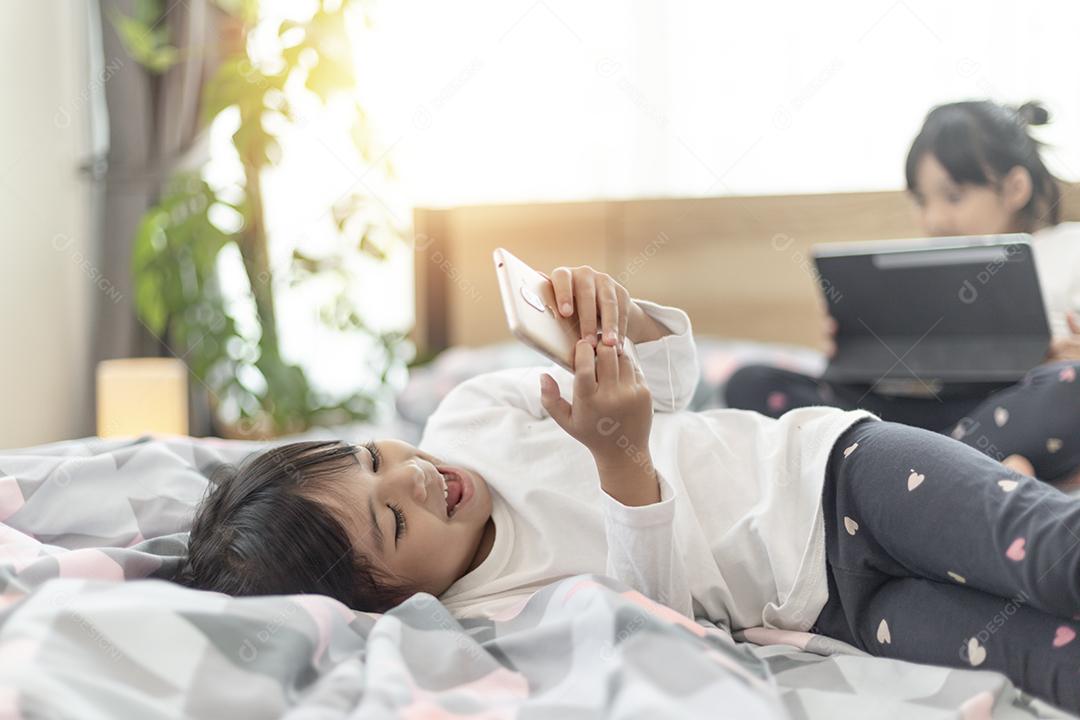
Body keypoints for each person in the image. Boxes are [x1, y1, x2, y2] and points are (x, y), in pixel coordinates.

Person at [182, 265, 1080, 712]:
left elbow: (671, 383)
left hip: (839, 475)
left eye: (374, 458)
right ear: (384, 601)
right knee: (1038, 661)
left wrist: (622, 319)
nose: (415, 478)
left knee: (1045, 550)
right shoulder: (495, 618)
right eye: (392, 519)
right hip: (831, 609)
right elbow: (658, 620)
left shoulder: (472, 414)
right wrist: (621, 463)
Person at [724, 100, 1080, 485]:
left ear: (1014, 188)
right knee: (751, 381)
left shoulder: (1069, 249)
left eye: (953, 197)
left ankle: (898, 472)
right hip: (905, 415)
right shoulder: (925, 268)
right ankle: (932, 470)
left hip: (997, 410)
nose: (933, 219)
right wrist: (857, 353)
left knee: (1072, 386)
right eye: (922, 201)